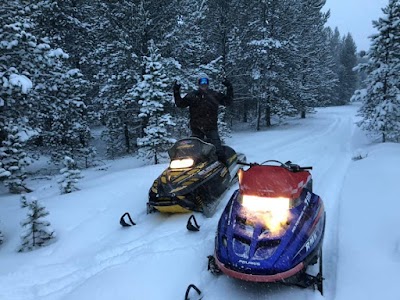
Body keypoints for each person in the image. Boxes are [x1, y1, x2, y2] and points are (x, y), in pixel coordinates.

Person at [173, 74, 233, 166]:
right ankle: (196, 171)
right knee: (195, 153)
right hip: (196, 129)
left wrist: (229, 87)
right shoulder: (192, 96)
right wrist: (176, 91)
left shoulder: (214, 94)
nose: (203, 84)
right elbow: (180, 104)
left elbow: (228, 101)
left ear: (208, 83)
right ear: (198, 83)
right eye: (201, 82)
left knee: (218, 150)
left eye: (205, 82)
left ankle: (224, 169)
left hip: (211, 127)